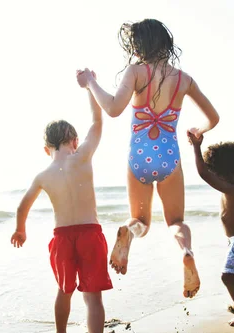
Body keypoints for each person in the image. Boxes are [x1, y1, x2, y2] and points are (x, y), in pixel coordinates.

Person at [79, 19, 219, 297]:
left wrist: (90, 82)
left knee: (139, 220)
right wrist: (197, 130)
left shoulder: (136, 72)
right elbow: (213, 118)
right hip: (169, 158)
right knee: (176, 221)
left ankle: (129, 233)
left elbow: (113, 108)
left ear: (139, 46)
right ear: (165, 43)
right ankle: (186, 250)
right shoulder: (184, 79)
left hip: (138, 158)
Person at [11, 72, 112, 333]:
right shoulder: (82, 157)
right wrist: (89, 87)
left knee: (64, 290)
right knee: (93, 297)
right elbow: (97, 120)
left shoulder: (43, 175)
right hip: (90, 234)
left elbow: (23, 206)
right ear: (75, 141)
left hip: (63, 238)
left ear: (47, 149)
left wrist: (20, 230)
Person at [189, 132, 234, 327]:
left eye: (214, 171)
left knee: (227, 277)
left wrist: (196, 147)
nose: (213, 175)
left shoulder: (229, 188)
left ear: (220, 171)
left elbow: (202, 173)